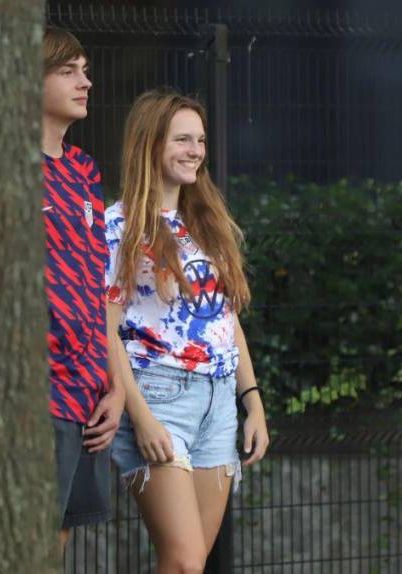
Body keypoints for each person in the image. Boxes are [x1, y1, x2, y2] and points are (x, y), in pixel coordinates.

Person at [105, 88, 269, 573]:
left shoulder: (207, 222)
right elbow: (106, 330)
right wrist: (142, 418)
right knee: (183, 562)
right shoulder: (119, 226)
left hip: (219, 404)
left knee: (190, 565)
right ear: (150, 144)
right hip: (158, 396)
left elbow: (225, 318)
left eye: (199, 139)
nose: (195, 150)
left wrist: (252, 401)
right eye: (182, 139)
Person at [41, 27, 124, 551]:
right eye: (68, 71)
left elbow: (101, 289)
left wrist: (114, 386)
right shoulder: (1, 170)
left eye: (86, 70)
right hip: (38, 391)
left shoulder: (85, 171)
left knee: (60, 540)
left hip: (88, 393)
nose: (85, 82)